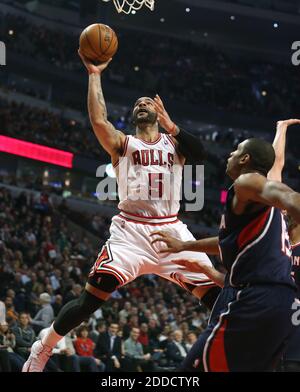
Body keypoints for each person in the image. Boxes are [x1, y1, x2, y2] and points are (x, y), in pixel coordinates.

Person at [23, 51, 219, 372]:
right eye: (137, 104)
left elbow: (202, 153)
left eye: (148, 102)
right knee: (90, 301)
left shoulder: (175, 143)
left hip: (173, 233)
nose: (142, 105)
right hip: (130, 233)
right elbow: (99, 120)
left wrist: (173, 125)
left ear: (158, 111)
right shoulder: (123, 144)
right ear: (134, 116)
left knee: (219, 299)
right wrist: (94, 74)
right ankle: (42, 348)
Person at [154, 137, 300, 371]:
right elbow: (224, 242)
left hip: (256, 300)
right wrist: (184, 245)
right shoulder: (265, 212)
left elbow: (291, 197)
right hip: (284, 307)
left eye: (236, 151)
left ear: (245, 159)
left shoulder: (246, 182)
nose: (229, 155)